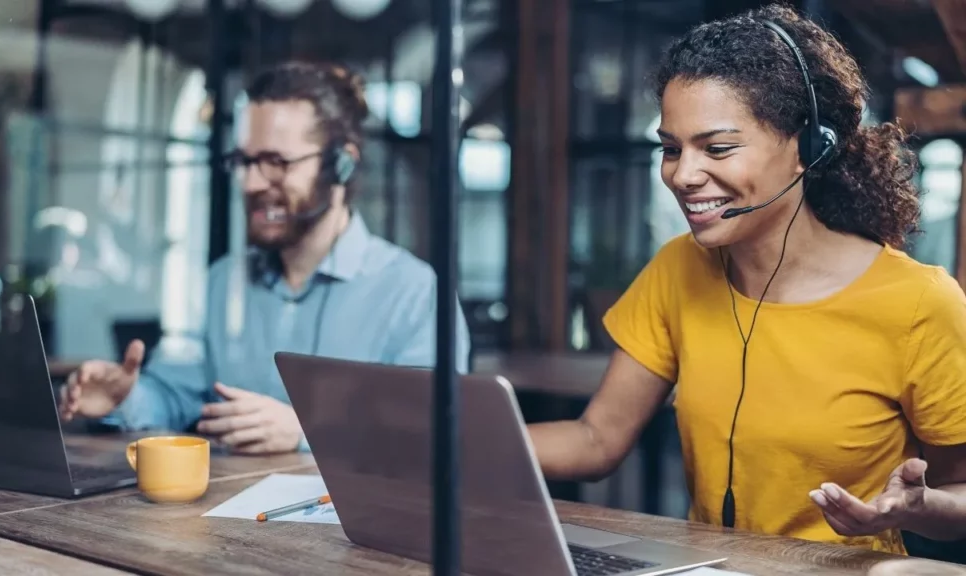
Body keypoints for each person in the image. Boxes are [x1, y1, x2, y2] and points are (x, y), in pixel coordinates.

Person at [529, 4, 966, 555]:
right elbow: (596, 440)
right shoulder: (679, 267)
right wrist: (448, 439)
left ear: (808, 148)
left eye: (717, 148)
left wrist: (920, 506)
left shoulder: (919, 302)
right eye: (670, 149)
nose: (683, 176)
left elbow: (960, 491)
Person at [57, 60, 472, 454]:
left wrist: (305, 431)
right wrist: (125, 398)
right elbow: (179, 396)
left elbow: (431, 433)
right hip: (230, 522)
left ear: (343, 165)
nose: (253, 182)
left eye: (276, 162)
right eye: (246, 161)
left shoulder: (415, 293)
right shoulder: (223, 282)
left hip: (353, 528)